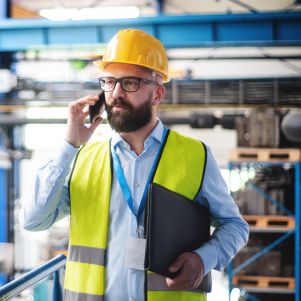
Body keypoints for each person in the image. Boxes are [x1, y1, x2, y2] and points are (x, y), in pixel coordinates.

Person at [20, 28, 249, 301]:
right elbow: (33, 221)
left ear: (157, 94)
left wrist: (203, 260)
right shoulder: (81, 159)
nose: (115, 93)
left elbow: (235, 226)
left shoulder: (196, 156)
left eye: (129, 83)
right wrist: (69, 145)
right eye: (108, 81)